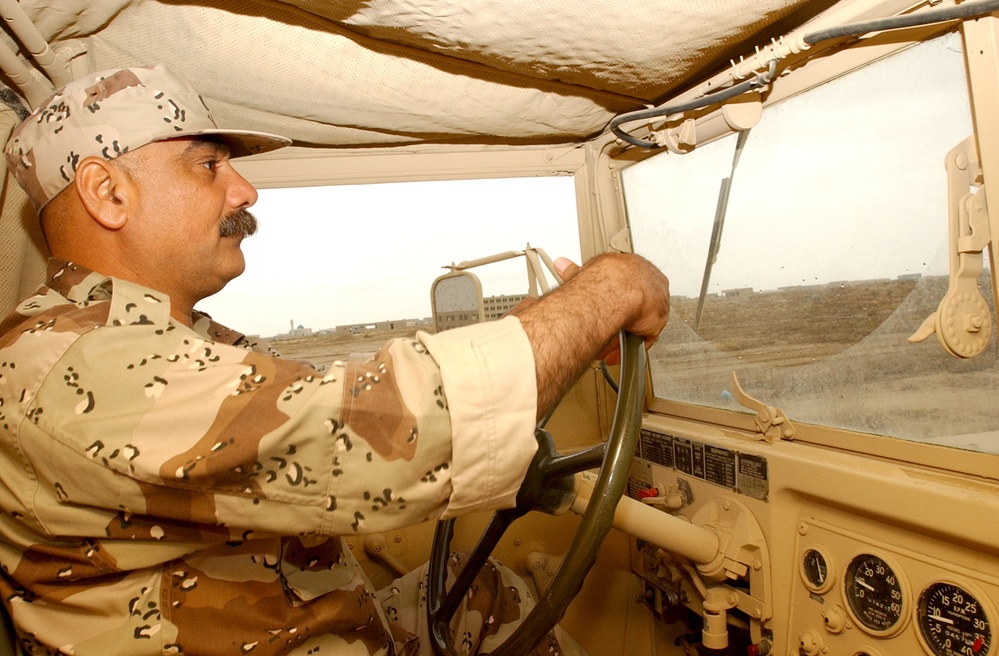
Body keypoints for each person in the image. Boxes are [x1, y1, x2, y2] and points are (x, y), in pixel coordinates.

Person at [0, 65, 670, 655]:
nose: (245, 192)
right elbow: (375, 435)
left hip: (291, 618)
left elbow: (327, 410)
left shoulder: (167, 339)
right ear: (107, 192)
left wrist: (521, 436)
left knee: (484, 593)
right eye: (209, 165)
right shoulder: (72, 361)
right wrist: (609, 291)